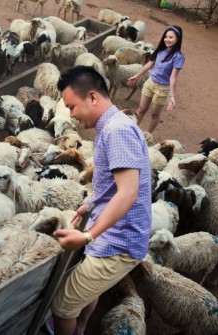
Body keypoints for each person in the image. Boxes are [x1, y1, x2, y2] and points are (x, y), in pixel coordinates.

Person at [47, 66, 152, 335]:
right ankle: (80, 328)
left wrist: (87, 236)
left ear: (92, 97)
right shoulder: (114, 127)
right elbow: (113, 186)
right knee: (85, 288)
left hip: (119, 241)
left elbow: (128, 193)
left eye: (72, 106)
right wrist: (89, 204)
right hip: (114, 233)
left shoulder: (117, 131)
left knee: (61, 305)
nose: (70, 115)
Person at [127, 25, 184, 133]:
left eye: (171, 37)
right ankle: (132, 131)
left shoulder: (178, 57)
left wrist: (172, 96)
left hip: (162, 89)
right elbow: (150, 64)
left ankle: (148, 136)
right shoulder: (160, 50)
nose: (167, 39)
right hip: (150, 82)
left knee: (155, 114)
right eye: (166, 37)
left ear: (178, 39)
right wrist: (137, 76)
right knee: (141, 109)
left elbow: (173, 77)